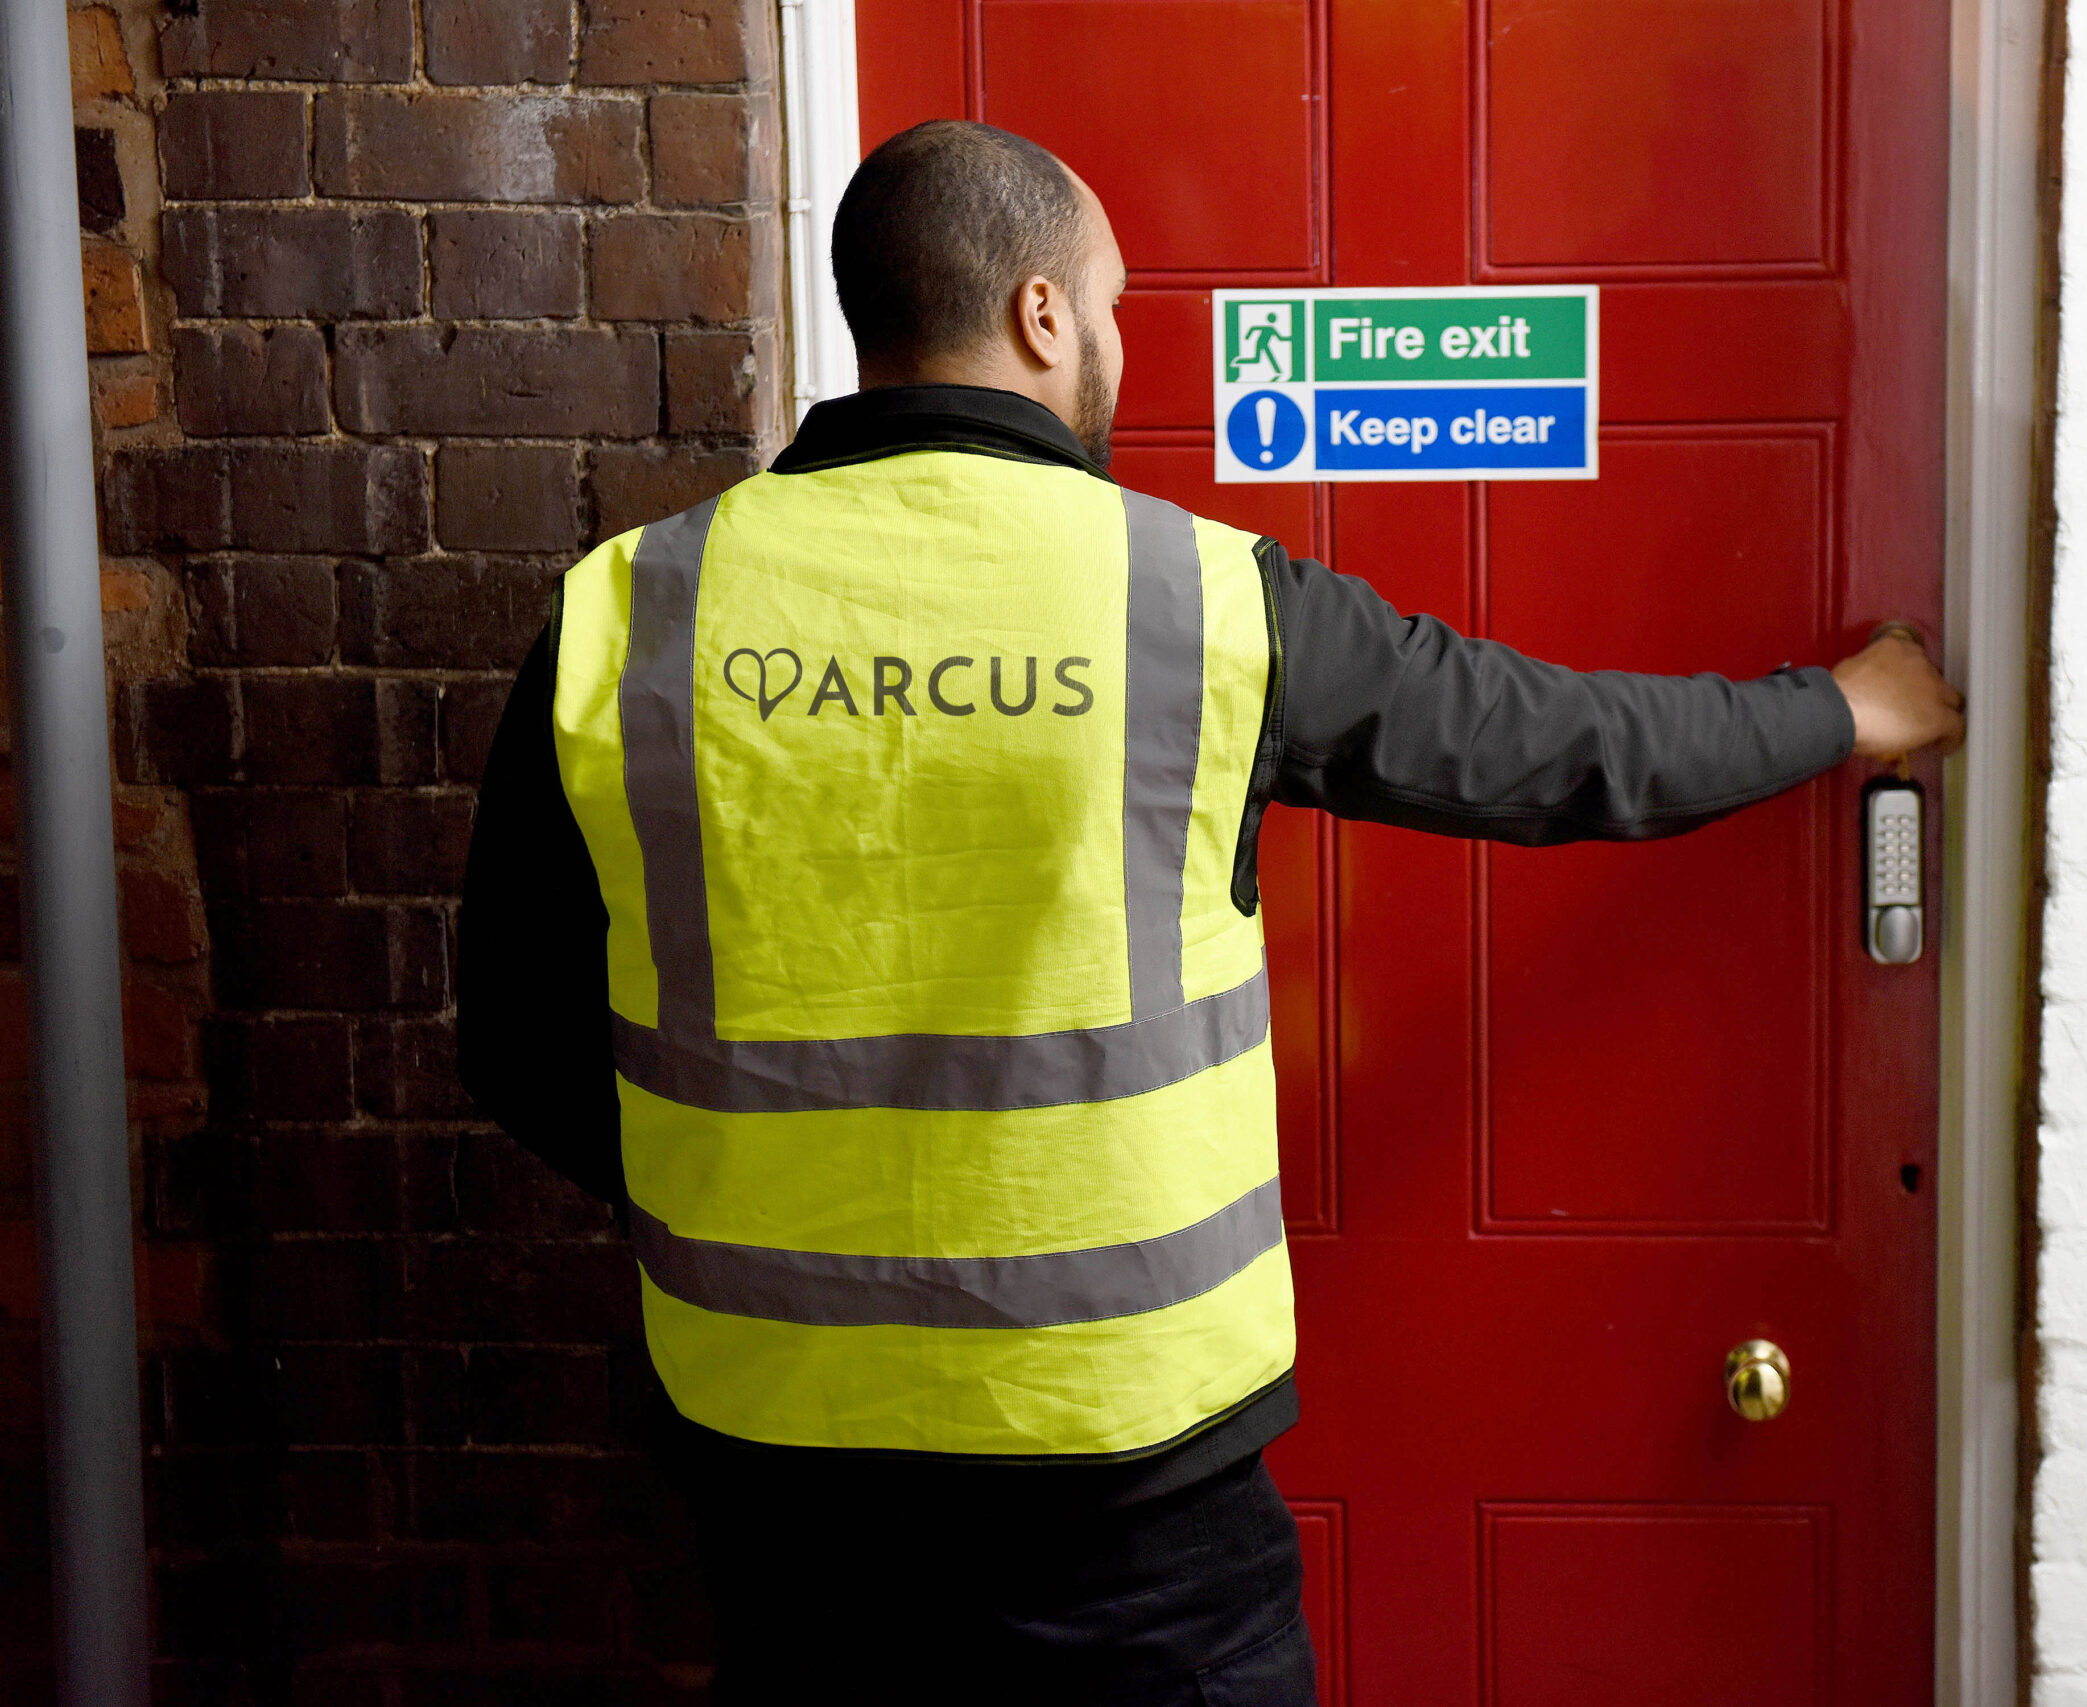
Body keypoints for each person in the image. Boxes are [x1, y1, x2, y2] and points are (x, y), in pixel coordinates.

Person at [457, 119, 1963, 1704]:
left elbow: (514, 1035)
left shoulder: (631, 612)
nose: (1117, 342)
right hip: (1126, 1488)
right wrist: (1838, 712)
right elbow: (1557, 747)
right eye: (1111, 306)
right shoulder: (1199, 602)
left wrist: (741, 1189)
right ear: (1043, 314)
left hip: (781, 1477)